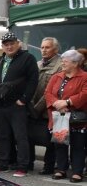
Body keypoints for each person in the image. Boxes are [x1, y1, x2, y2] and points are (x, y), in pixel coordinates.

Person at [0, 33, 39, 177]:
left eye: (12, 43)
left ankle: (23, 165)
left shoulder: (28, 58)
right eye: (6, 44)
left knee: (20, 136)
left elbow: (33, 80)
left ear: (18, 44)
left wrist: (24, 99)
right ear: (2, 46)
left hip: (17, 104)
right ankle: (3, 163)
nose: (9, 46)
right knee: (3, 135)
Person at [45, 49, 87, 182]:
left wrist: (68, 102)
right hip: (59, 115)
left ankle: (77, 171)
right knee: (60, 143)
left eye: (65, 61)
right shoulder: (56, 76)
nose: (62, 63)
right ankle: (61, 169)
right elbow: (48, 93)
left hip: (77, 117)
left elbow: (85, 94)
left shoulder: (85, 77)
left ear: (75, 63)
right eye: (62, 61)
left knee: (78, 144)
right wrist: (57, 103)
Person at [28, 37, 62, 175]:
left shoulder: (59, 65)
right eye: (42, 47)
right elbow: (30, 85)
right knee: (29, 135)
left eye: (47, 47)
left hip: (48, 109)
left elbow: (52, 90)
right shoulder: (37, 64)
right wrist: (30, 105)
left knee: (50, 140)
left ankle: (48, 166)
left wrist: (37, 108)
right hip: (32, 106)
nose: (43, 50)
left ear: (56, 49)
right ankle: (28, 162)